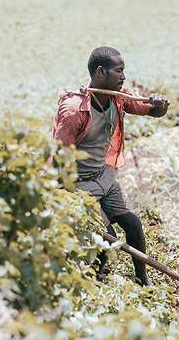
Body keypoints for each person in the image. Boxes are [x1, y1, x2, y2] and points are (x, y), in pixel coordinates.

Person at [50, 46, 169, 286]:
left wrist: (161, 105)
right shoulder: (74, 110)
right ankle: (93, 282)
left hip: (103, 176)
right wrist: (74, 202)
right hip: (77, 184)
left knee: (134, 225)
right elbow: (58, 161)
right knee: (107, 239)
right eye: (119, 71)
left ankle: (142, 279)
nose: (123, 76)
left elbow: (154, 112)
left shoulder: (119, 97)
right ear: (101, 72)